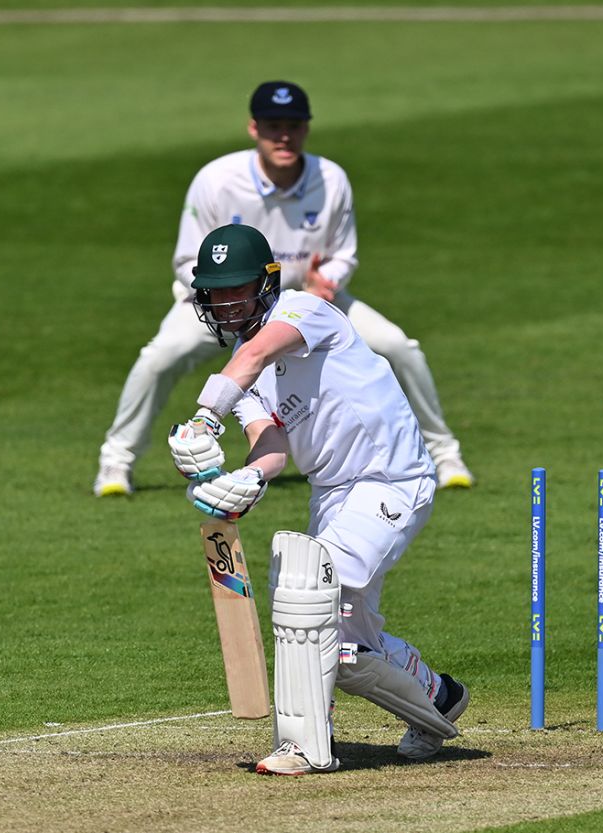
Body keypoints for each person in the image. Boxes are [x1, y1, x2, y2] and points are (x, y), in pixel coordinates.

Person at [167, 223, 469, 775]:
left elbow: (257, 352)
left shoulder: (305, 312)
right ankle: (438, 699)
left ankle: (306, 743)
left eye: (237, 289)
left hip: (390, 478)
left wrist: (202, 417)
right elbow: (272, 445)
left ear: (266, 283)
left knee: (306, 590)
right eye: (216, 293)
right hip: (332, 492)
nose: (227, 304)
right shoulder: (243, 367)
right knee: (348, 648)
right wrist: (245, 483)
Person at [96, 80, 474, 496]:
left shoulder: (330, 179)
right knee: (159, 357)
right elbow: (187, 260)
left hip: (306, 303)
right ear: (254, 128)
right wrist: (225, 302)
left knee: (399, 346)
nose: (284, 135)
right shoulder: (216, 179)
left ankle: (445, 454)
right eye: (274, 125)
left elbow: (343, 253)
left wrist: (324, 286)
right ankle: (116, 462)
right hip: (222, 302)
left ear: (306, 129)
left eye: (294, 125)